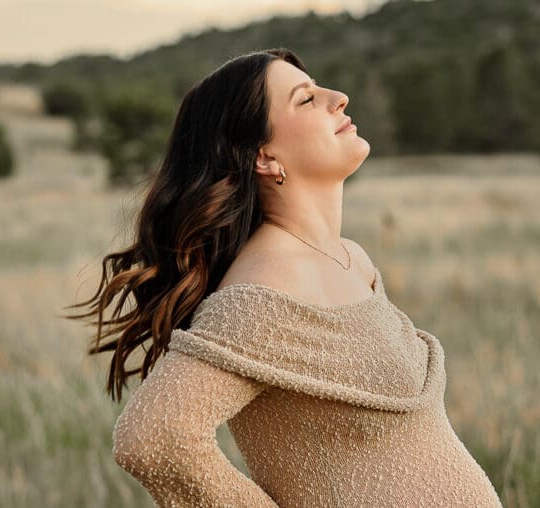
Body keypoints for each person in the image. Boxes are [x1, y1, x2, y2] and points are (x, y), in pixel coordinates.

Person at [65, 48, 503, 507]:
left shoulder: (351, 258)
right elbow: (151, 440)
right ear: (264, 157)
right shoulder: (264, 288)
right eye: (305, 99)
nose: (339, 98)